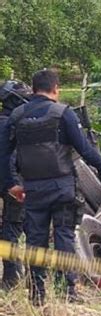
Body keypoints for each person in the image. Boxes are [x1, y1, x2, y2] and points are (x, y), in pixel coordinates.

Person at [0, 70, 101, 304]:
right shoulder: (63, 114)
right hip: (62, 187)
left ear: (33, 89)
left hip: (32, 189)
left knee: (35, 239)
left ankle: (37, 294)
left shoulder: (16, 116)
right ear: (55, 88)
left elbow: (3, 154)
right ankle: (66, 291)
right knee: (63, 235)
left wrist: (11, 184)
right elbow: (84, 149)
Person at [0, 80, 31, 289]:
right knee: (15, 228)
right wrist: (14, 185)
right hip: (13, 185)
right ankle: (13, 277)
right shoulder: (11, 123)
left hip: (9, 182)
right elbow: (10, 158)